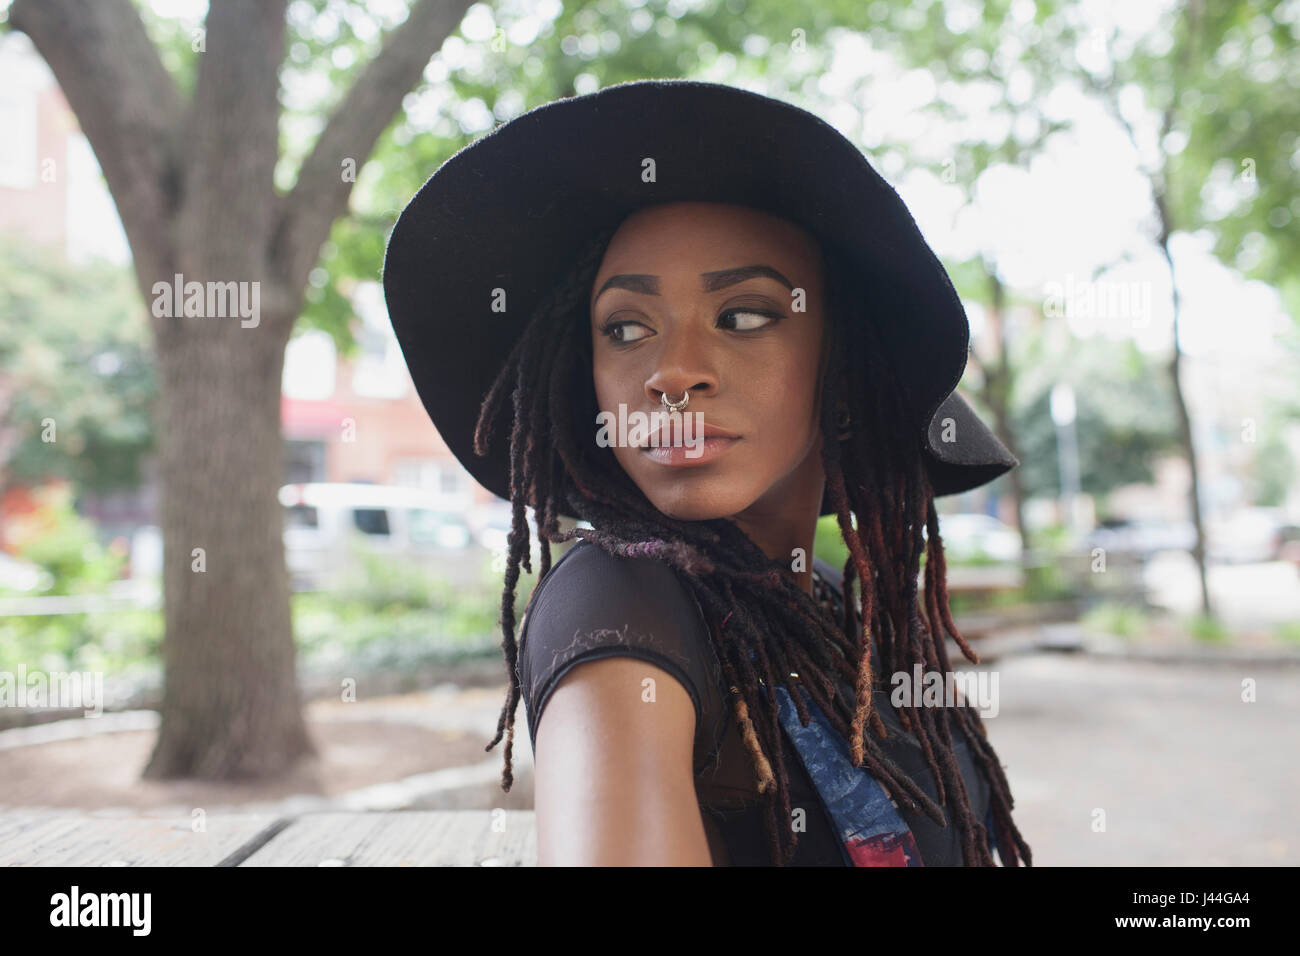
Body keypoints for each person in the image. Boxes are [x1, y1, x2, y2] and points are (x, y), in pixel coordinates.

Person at [384, 79, 1030, 866]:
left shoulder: (830, 600)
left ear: (845, 371)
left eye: (744, 316)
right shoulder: (619, 601)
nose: (672, 372)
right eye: (625, 327)